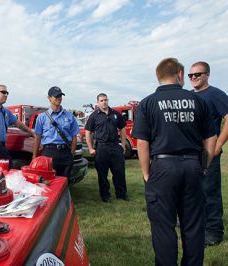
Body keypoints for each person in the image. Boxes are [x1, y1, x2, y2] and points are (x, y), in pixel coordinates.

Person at [132, 58, 216, 265]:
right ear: (179, 73)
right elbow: (210, 138)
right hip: (192, 165)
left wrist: (146, 173)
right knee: (194, 225)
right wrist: (204, 166)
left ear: (158, 76)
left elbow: (142, 143)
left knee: (163, 225)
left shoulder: (148, 103)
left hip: (162, 167)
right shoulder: (198, 101)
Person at [189, 61, 228, 246]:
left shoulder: (216, 94)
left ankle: (214, 231)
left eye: (198, 74)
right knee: (192, 190)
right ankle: (194, 223)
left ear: (207, 75)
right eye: (191, 75)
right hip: (190, 152)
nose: (194, 78)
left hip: (208, 151)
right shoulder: (188, 96)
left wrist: (218, 144)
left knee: (210, 192)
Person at [84, 93, 129, 202]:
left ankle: (122, 195)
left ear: (108, 100)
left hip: (115, 146)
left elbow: (122, 128)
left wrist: (123, 145)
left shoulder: (116, 114)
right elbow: (88, 132)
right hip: (101, 148)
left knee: (119, 172)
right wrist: (90, 148)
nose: (104, 102)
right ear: (98, 102)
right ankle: (105, 196)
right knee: (102, 174)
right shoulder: (94, 116)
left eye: (105, 100)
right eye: (101, 100)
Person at [33, 86, 79, 183]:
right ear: (49, 98)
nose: (59, 98)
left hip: (66, 152)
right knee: (48, 181)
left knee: (65, 181)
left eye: (60, 96)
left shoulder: (69, 116)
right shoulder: (42, 117)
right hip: (49, 152)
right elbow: (37, 137)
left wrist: (72, 152)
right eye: (56, 96)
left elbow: (74, 135)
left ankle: (65, 198)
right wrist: (34, 156)